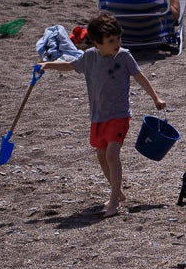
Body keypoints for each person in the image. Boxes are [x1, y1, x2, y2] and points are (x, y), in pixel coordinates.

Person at [38, 13, 165, 217]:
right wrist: (47, 65)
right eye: (111, 41)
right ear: (98, 43)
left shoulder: (124, 56)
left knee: (112, 155)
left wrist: (156, 98)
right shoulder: (89, 56)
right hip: (98, 117)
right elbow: (70, 66)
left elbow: (139, 76)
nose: (117, 44)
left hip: (119, 115)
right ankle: (119, 192)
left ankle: (114, 201)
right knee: (101, 155)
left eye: (118, 39)